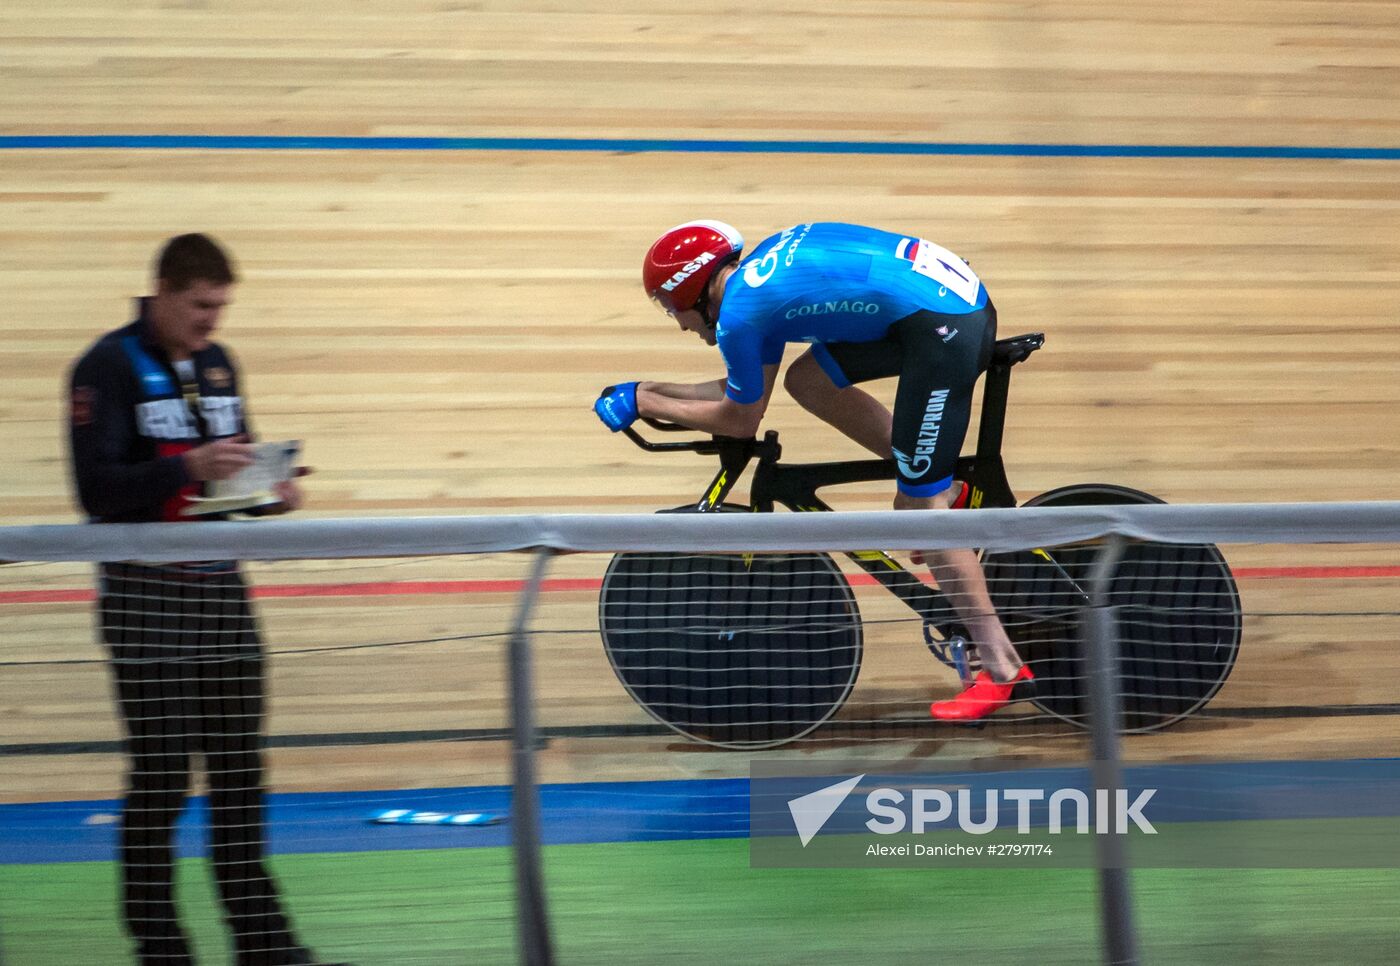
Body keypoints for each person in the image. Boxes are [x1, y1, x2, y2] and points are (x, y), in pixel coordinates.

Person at [595, 220, 1033, 722]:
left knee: (922, 516)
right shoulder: (752, 289)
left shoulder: (741, 315)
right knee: (809, 381)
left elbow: (740, 420)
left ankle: (1001, 666)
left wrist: (646, 400)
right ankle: (933, 476)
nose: (680, 324)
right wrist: (646, 391)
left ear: (690, 289)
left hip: (942, 327)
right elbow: (738, 390)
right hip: (939, 304)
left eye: (672, 309)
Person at [66, 234, 343, 966]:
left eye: (220, 307)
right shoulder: (105, 369)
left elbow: (225, 491)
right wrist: (187, 464)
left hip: (223, 595)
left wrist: (267, 494)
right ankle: (160, 949)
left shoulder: (221, 365)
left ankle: (264, 942)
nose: (211, 322)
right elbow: (97, 491)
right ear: (162, 290)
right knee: (160, 777)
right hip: (143, 599)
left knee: (240, 775)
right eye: (200, 306)